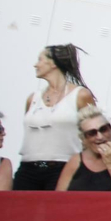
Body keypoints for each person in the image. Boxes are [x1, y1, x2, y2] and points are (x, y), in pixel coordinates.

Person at [17, 45, 97, 191]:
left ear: (53, 63)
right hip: (28, 168)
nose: (35, 65)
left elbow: (95, 131)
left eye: (40, 60)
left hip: (63, 168)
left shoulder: (80, 95)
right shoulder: (33, 98)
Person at [54, 105, 111, 192]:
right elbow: (59, 197)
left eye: (103, 129)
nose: (100, 137)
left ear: (110, 129)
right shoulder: (76, 160)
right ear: (83, 139)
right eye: (92, 133)